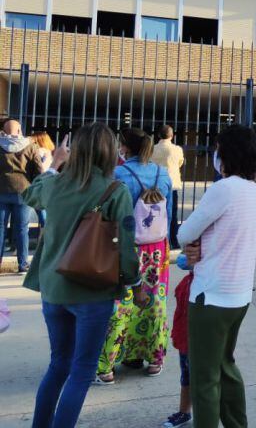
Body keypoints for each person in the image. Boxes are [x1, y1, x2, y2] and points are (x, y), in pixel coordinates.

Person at [22, 123, 142, 428]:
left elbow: (29, 195)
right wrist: (136, 283)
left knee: (59, 364)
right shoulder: (116, 191)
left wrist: (54, 162)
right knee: (83, 370)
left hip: (54, 289)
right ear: (109, 152)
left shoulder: (55, 184)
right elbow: (126, 248)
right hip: (93, 291)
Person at [177, 125, 256, 428]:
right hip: (239, 295)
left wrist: (194, 243)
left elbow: (185, 232)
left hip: (210, 296)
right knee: (226, 366)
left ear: (225, 155)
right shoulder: (255, 192)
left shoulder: (223, 189)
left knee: (204, 377)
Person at [96, 127, 175, 383]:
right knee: (154, 302)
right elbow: (169, 215)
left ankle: (107, 364)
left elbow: (108, 215)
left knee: (120, 304)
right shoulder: (162, 174)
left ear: (125, 148)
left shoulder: (117, 175)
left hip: (126, 245)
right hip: (157, 249)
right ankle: (153, 358)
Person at [1, 119, 44, 273]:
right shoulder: (31, 146)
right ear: (19, 131)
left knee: (0, 229)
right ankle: (23, 264)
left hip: (1, 192)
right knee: (22, 229)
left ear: (4, 132)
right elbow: (39, 170)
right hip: (23, 192)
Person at [162, 252, 194, 428]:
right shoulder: (187, 283)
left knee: (202, 377)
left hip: (199, 335)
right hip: (185, 335)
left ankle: (208, 413)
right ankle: (184, 412)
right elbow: (184, 258)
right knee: (187, 373)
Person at [151, 125, 185, 248]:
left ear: (158, 135)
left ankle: (156, 239)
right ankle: (172, 241)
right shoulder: (177, 149)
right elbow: (180, 163)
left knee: (155, 212)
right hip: (172, 184)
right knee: (172, 213)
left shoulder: (153, 149)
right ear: (172, 136)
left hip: (155, 185)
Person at [29, 131, 54, 231]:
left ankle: (43, 238)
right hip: (48, 186)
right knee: (43, 214)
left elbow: (42, 169)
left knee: (42, 214)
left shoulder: (40, 152)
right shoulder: (48, 152)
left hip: (40, 186)